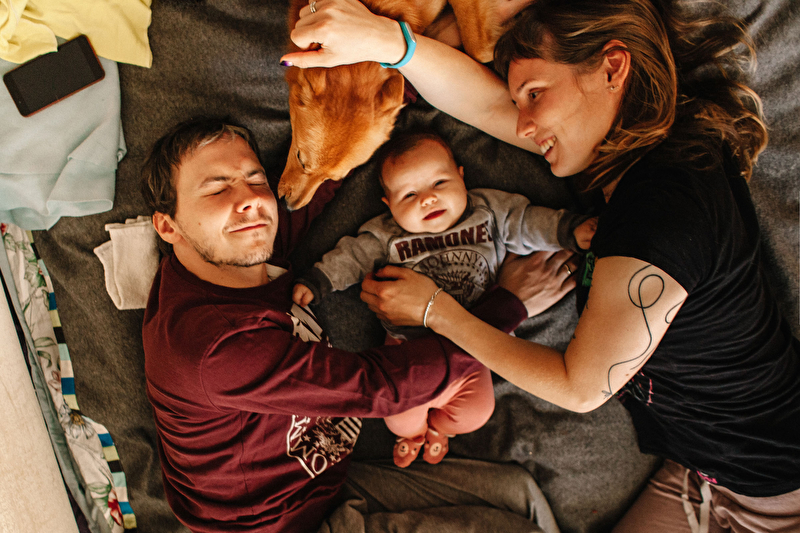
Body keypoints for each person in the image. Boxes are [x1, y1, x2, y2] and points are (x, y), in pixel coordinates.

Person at [281, 0, 800, 531]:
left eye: (534, 95)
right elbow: (486, 108)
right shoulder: (630, 154)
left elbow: (579, 387)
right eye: (520, 100)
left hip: (781, 491)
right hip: (697, 474)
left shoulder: (665, 210)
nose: (525, 125)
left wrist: (436, 310)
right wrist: (387, 43)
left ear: (612, 67)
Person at [139, 117, 571, 532]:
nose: (251, 200)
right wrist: (510, 305)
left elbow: (323, 177)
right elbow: (380, 387)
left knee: (521, 496)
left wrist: (392, 91)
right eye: (216, 189)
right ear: (167, 226)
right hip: (278, 525)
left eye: (256, 180)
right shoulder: (213, 348)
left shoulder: (236, 249)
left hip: (327, 487)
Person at [294, 130, 595, 468]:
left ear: (462, 177)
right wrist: (318, 282)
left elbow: (527, 222)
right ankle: (413, 434)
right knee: (399, 419)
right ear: (388, 205)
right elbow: (350, 257)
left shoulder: (488, 212)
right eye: (409, 195)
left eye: (439, 183)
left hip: (475, 346)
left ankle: (440, 429)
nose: (428, 199)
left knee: (476, 413)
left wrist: (568, 230)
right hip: (407, 347)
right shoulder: (384, 235)